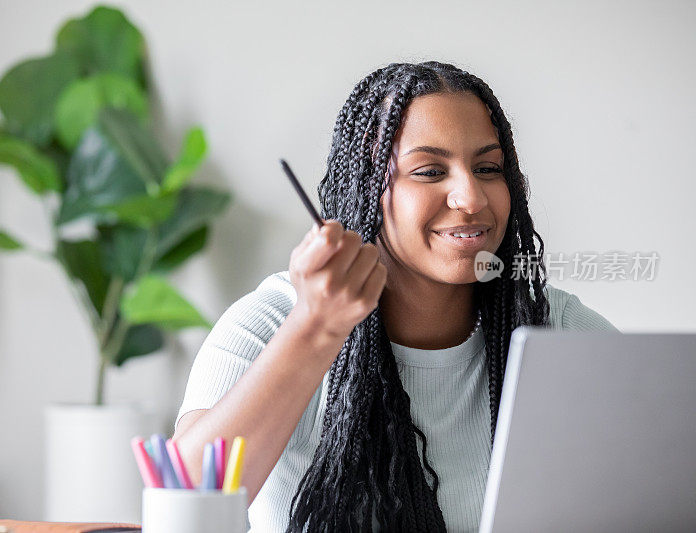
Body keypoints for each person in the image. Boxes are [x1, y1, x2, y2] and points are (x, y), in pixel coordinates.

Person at [171, 61, 617, 532]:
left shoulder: (556, 328)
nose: (471, 197)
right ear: (368, 189)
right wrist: (314, 329)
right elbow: (182, 506)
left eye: (488, 168)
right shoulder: (272, 322)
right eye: (428, 171)